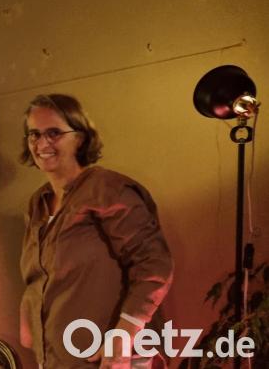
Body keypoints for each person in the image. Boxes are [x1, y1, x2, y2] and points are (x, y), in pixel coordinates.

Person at [18, 94, 173, 368]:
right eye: (34, 134)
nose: (42, 143)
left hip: (110, 359)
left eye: (54, 133)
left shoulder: (107, 190)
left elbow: (154, 265)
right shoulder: (38, 202)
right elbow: (40, 278)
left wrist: (122, 336)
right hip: (57, 358)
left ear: (79, 137)